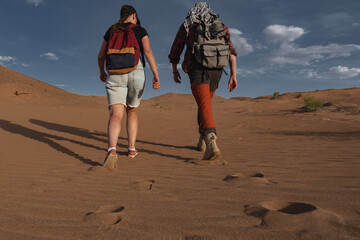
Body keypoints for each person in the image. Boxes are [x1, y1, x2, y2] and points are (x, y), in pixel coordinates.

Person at [169, 2, 237, 160]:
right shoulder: (220, 25)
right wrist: (233, 75)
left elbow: (175, 50)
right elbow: (231, 51)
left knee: (204, 103)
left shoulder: (189, 24)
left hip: (197, 68)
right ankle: (202, 140)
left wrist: (174, 70)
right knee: (204, 103)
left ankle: (211, 142)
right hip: (217, 70)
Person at [98, 5, 160, 168]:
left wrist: (101, 72)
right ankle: (132, 149)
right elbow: (147, 51)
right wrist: (155, 74)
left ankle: (112, 150)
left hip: (115, 73)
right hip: (136, 71)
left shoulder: (112, 30)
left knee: (116, 113)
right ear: (134, 15)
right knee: (132, 110)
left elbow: (100, 55)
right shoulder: (140, 29)